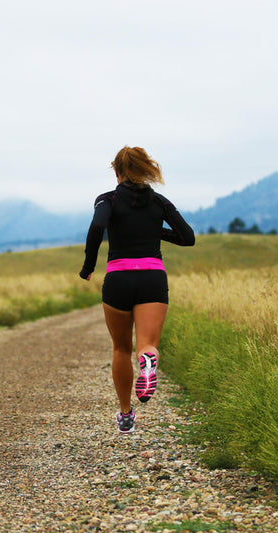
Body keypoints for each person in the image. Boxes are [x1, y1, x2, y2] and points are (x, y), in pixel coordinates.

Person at [80, 146, 195, 434]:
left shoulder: (107, 200)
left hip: (119, 278)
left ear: (117, 171)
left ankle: (125, 413)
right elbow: (187, 237)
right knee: (146, 344)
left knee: (120, 348)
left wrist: (88, 265)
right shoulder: (159, 201)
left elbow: (97, 226)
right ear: (145, 169)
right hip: (152, 279)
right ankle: (149, 359)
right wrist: (155, 231)